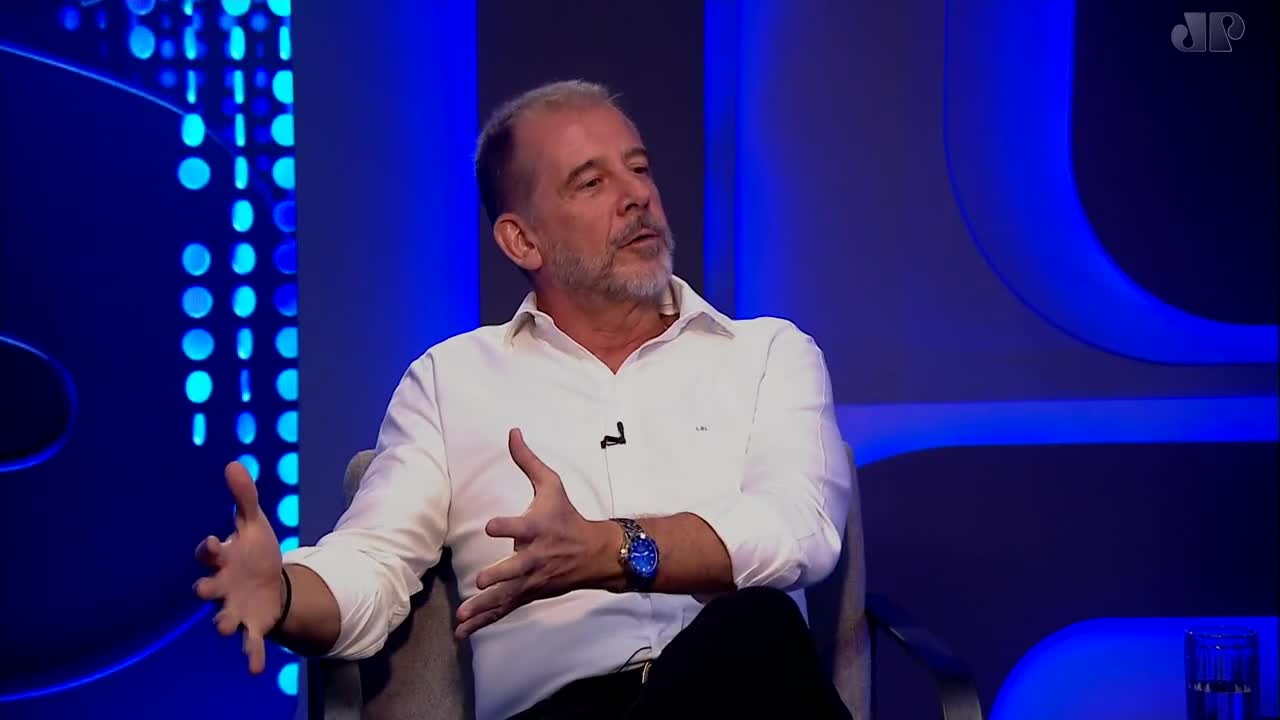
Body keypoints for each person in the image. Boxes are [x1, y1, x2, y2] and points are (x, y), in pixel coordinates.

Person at [193, 80, 854, 720]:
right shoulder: (451, 382)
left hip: (742, 687)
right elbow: (372, 566)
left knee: (754, 624)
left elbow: (799, 532)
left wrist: (614, 550)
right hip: (560, 710)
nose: (636, 198)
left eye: (639, 169)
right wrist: (282, 592)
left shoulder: (768, 354)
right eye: (591, 183)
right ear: (522, 240)